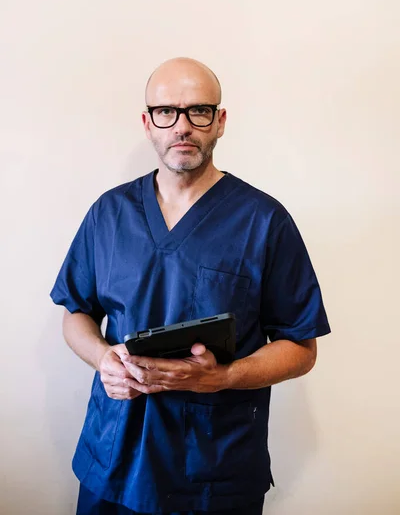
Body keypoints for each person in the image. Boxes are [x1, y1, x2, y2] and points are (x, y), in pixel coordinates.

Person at [50, 57, 331, 515]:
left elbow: (302, 348)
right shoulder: (109, 214)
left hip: (213, 472)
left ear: (220, 122)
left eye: (198, 111)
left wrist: (222, 377)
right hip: (113, 459)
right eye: (166, 112)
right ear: (148, 123)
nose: (182, 126)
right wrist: (104, 358)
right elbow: (75, 314)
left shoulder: (264, 222)